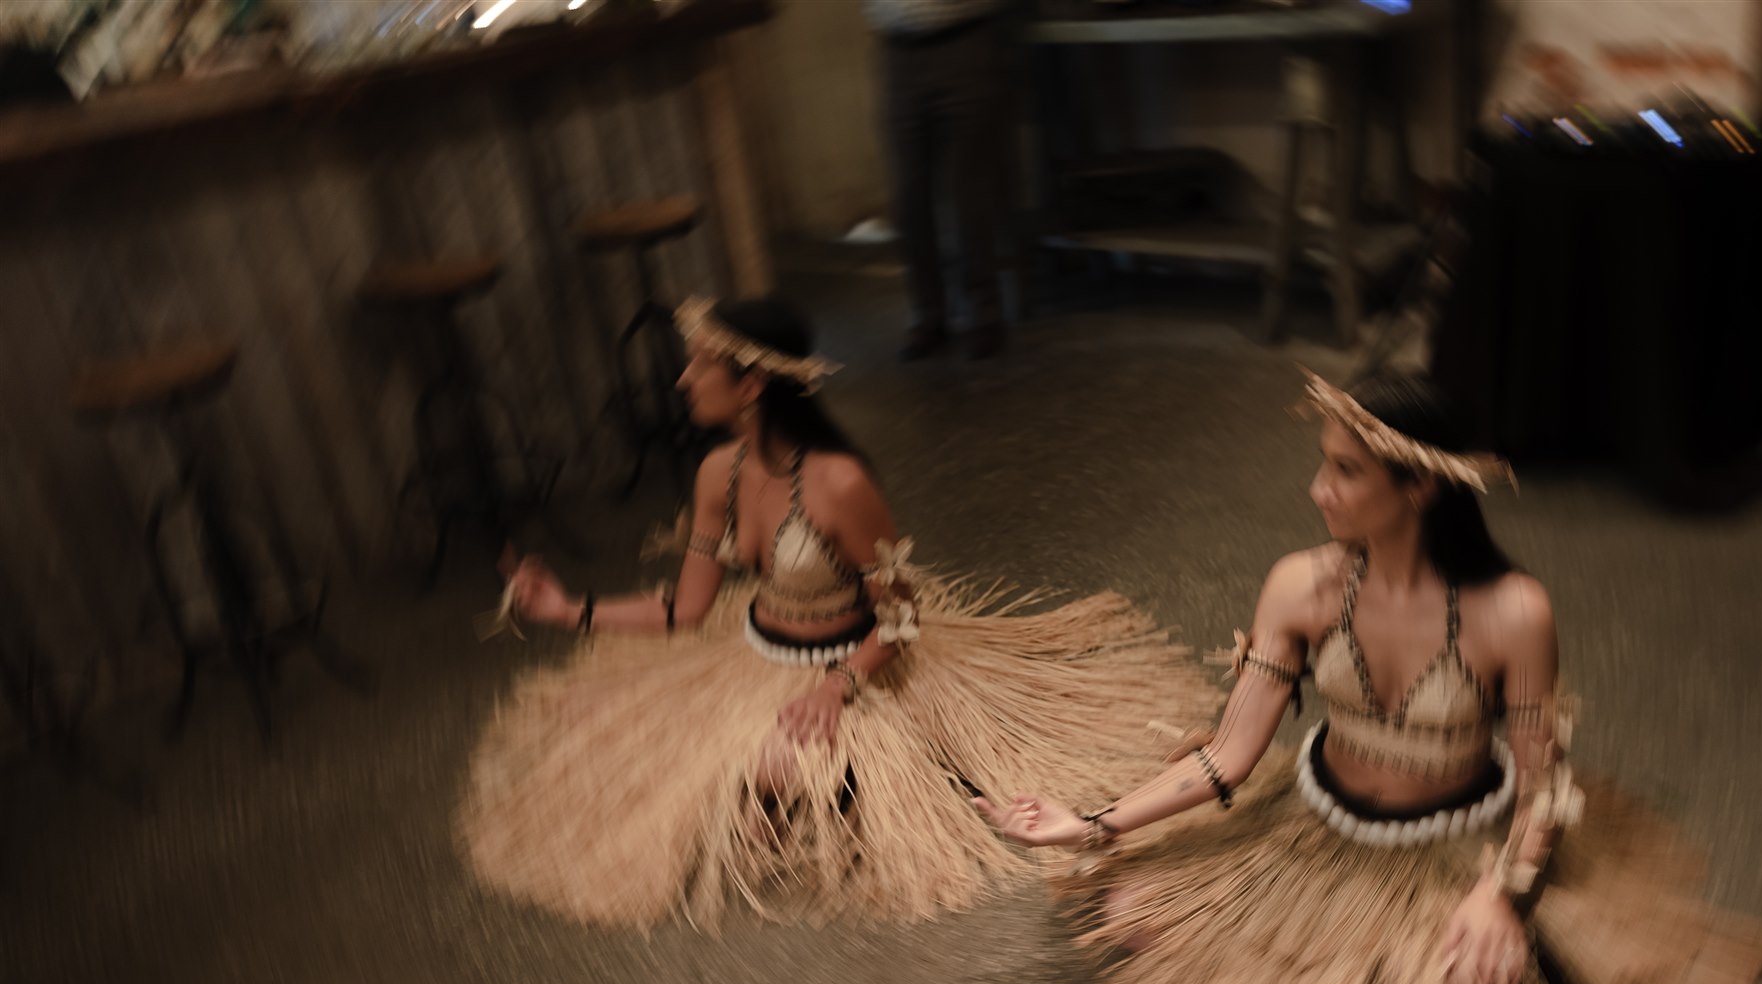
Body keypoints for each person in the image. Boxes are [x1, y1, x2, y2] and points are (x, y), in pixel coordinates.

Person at [979, 372, 1762, 984]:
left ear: (1420, 486)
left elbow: (1545, 788)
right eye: (1325, 463)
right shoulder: (1300, 584)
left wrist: (1501, 894)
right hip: (1316, 820)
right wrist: (1092, 824)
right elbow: (1228, 754)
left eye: (1346, 470)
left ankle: (1407, 952)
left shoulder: (1514, 611)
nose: (1318, 489)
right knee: (1132, 917)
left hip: (1457, 838)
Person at [461, 296, 1214, 930]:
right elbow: (687, 609)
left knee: (765, 786)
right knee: (645, 763)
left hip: (857, 665)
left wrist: (837, 686)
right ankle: (812, 787)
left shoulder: (839, 484)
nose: (683, 379)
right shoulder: (717, 472)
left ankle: (847, 781)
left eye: (699, 365)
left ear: (752, 384)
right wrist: (568, 609)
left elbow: (903, 618)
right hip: (757, 657)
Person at [865, 0, 1015, 362]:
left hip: (965, 42)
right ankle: (928, 315)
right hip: (899, 49)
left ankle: (984, 313)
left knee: (970, 192)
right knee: (910, 195)